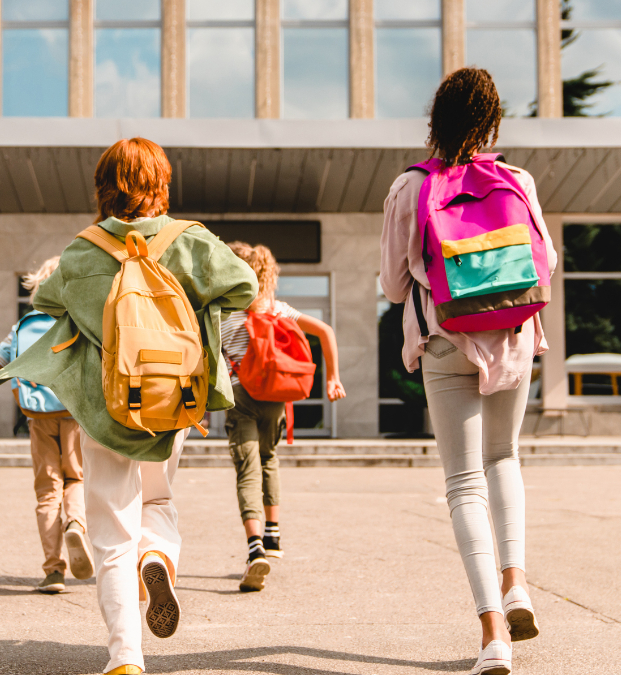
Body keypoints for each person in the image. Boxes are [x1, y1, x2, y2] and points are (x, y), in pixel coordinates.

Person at [0, 137, 257, 675]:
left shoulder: (83, 250)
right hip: (173, 398)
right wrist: (200, 324)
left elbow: (44, 301)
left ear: (102, 187)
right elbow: (243, 287)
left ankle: (125, 658)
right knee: (157, 497)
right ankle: (157, 556)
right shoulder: (190, 240)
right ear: (162, 183)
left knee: (111, 530)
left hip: (105, 405)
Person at [380, 68, 554, 675]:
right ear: (492, 122)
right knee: (503, 458)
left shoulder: (410, 186)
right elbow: (548, 261)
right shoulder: (517, 179)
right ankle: (516, 583)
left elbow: (392, 285)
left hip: (446, 337)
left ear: (436, 120)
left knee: (463, 483)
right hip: (511, 335)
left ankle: (493, 634)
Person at [221, 241, 346, 593]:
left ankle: (255, 548)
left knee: (247, 469)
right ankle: (273, 535)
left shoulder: (223, 314)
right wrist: (333, 378)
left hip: (241, 396)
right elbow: (326, 332)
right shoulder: (277, 309)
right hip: (276, 397)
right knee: (269, 458)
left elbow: (207, 360)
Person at [0, 256, 93, 595]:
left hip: (37, 416)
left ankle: (53, 570)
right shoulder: (80, 320)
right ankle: (76, 522)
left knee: (47, 490)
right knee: (76, 478)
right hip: (74, 412)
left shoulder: (23, 326)